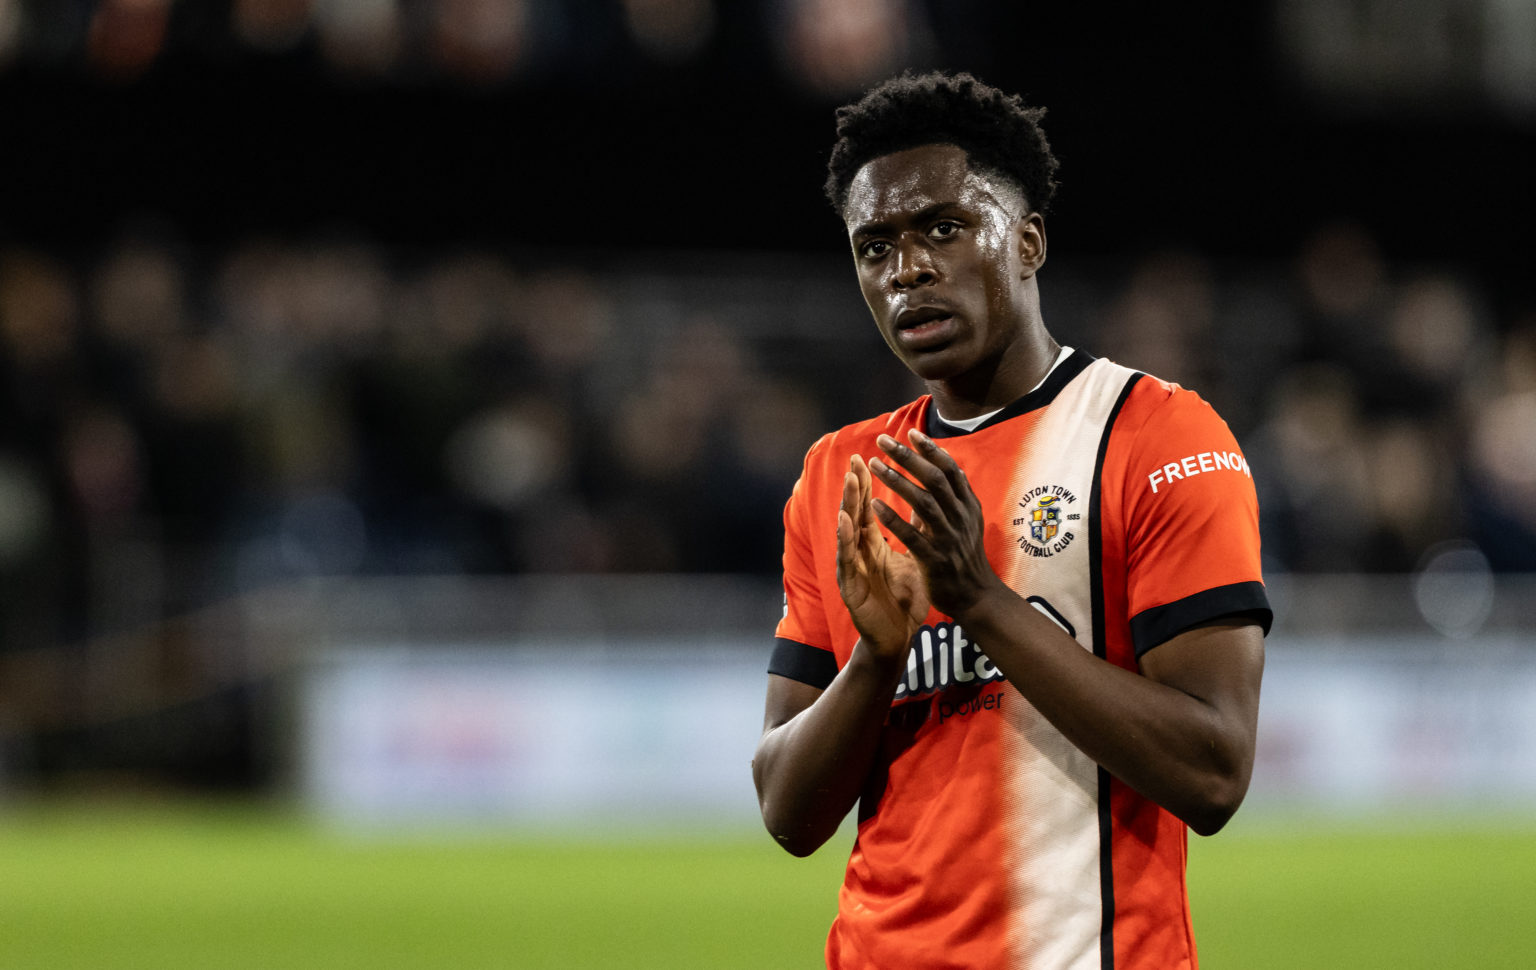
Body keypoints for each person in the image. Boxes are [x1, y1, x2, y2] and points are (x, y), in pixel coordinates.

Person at [750, 72, 1271, 970]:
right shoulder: (843, 473)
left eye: (943, 229)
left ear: (1027, 240)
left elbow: (1215, 772)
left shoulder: (1153, 435)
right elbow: (788, 814)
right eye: (874, 247)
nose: (906, 268)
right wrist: (877, 659)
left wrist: (982, 603)